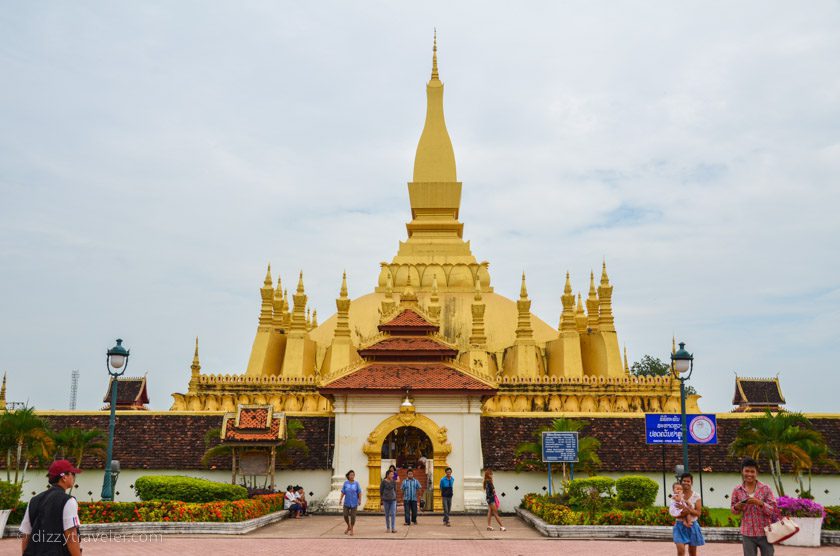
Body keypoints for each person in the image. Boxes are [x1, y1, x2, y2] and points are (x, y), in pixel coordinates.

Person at [20, 459, 82, 556]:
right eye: (72, 474)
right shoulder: (68, 501)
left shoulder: (34, 500)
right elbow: (71, 537)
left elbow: (26, 535)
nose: (74, 477)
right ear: (64, 477)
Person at [731, 458, 777, 556]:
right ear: (742, 472)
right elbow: (733, 511)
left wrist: (760, 503)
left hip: (765, 532)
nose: (749, 474)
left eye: (752, 471)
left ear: (757, 473)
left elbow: (772, 510)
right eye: (747, 471)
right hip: (747, 533)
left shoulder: (765, 488)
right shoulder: (737, 490)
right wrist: (737, 507)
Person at [673, 472, 705, 555]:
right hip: (679, 526)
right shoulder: (677, 496)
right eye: (684, 481)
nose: (686, 483)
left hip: (692, 525)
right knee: (681, 551)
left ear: (691, 483)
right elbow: (674, 512)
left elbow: (698, 513)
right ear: (681, 482)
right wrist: (683, 513)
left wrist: (687, 510)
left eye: (688, 481)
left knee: (692, 553)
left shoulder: (696, 496)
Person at [339, 470, 362, 536]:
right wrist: (340, 499)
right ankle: (348, 526)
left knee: (353, 517)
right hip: (347, 502)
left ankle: (351, 529)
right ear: (348, 476)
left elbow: (359, 492)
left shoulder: (356, 483)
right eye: (351, 475)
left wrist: (359, 500)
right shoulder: (345, 483)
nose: (352, 476)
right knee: (345, 515)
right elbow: (343, 492)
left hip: (354, 502)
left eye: (353, 475)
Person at [380, 468, 398, 533]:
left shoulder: (394, 481)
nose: (392, 475)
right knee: (387, 514)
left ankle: (393, 528)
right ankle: (388, 528)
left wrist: (395, 497)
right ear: (387, 475)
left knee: (393, 513)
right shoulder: (383, 482)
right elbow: (381, 490)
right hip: (385, 500)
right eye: (391, 474)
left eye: (393, 474)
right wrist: (382, 498)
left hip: (393, 499)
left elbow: (395, 490)